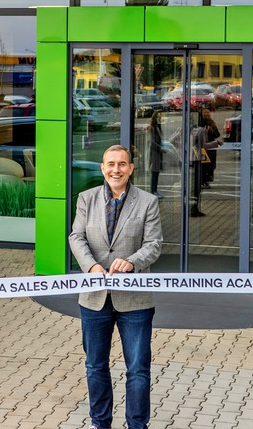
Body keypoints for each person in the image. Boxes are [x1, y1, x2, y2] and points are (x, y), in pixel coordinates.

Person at [68, 145, 163, 429]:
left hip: (135, 302)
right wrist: (91, 266)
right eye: (110, 164)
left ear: (131, 168)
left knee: (137, 370)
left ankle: (137, 425)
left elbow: (154, 244)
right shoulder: (86, 198)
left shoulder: (147, 201)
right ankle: (100, 423)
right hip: (94, 299)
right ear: (102, 167)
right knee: (95, 366)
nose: (116, 169)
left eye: (122, 164)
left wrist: (132, 262)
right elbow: (76, 236)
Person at [199, 108, 220, 188]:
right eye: (205, 113)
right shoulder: (200, 123)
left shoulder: (212, 123)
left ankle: (208, 180)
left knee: (211, 165)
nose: (207, 115)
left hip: (211, 147)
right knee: (204, 165)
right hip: (204, 147)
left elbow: (217, 134)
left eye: (208, 113)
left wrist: (212, 130)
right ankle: (203, 180)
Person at [147, 110, 164, 196]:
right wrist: (160, 148)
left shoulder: (158, 127)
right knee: (154, 172)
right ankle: (153, 191)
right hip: (154, 153)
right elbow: (152, 142)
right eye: (159, 118)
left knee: (156, 172)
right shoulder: (152, 128)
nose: (160, 119)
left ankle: (155, 190)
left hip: (158, 153)